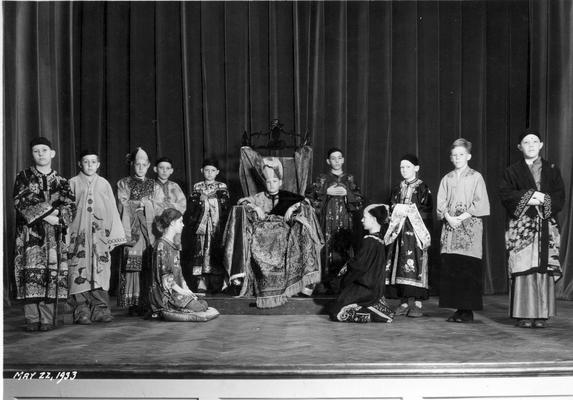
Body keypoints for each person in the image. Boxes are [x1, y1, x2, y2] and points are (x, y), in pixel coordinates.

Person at [233, 157, 322, 307]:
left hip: (283, 231)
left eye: (274, 181)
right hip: (261, 232)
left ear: (280, 182)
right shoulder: (259, 197)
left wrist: (293, 208)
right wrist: (255, 207)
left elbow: (307, 203)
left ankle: (302, 284)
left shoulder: (288, 196)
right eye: (268, 182)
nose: (271, 184)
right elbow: (242, 202)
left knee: (301, 230)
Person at [499, 129, 564, 328]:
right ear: (520, 147)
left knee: (542, 268)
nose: (531, 145)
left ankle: (541, 314)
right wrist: (531, 196)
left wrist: (543, 199)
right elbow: (505, 194)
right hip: (522, 226)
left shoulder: (552, 169)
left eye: (535, 141)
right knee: (523, 268)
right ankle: (523, 314)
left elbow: (559, 195)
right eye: (526, 142)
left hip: (545, 224)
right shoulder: (511, 171)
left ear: (541, 145)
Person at [13, 137, 76, 331]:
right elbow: (21, 200)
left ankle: (47, 319)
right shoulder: (23, 177)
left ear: (52, 153)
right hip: (30, 235)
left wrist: (58, 218)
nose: (40, 154)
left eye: (44, 150)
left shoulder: (62, 181)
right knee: (30, 273)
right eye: (36, 151)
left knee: (52, 275)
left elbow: (70, 206)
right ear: (32, 154)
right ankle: (32, 318)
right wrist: (49, 215)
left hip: (54, 237)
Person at [67, 150, 126, 324]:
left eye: (93, 162)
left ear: (98, 164)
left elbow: (112, 210)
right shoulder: (73, 183)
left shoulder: (104, 184)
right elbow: (67, 211)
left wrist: (113, 237)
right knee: (77, 270)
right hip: (78, 236)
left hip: (100, 237)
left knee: (100, 271)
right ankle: (81, 310)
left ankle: (101, 309)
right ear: (80, 164)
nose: (90, 165)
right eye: (86, 162)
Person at [437, 138, 490, 323]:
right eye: (454, 155)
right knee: (453, 268)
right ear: (451, 158)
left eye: (461, 154)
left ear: (468, 156)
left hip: (469, 228)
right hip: (450, 228)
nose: (457, 158)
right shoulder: (447, 178)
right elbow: (441, 203)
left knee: (468, 268)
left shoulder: (476, 177)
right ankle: (457, 308)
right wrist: (449, 217)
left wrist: (462, 217)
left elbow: (480, 202)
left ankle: (467, 310)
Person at [308, 147, 365, 292]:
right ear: (328, 161)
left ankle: (344, 282)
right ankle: (325, 282)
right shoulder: (322, 179)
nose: (337, 161)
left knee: (345, 246)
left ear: (343, 159)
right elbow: (311, 199)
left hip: (346, 220)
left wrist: (347, 194)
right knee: (327, 247)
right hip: (327, 220)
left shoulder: (349, 179)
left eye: (339, 157)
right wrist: (325, 192)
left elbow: (359, 200)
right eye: (333, 158)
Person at [385, 154, 432, 318]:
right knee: (400, 265)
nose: (404, 170)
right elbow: (391, 208)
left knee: (416, 265)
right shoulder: (396, 189)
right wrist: (396, 211)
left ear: (416, 168)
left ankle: (417, 304)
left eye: (408, 167)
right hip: (399, 233)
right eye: (402, 167)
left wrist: (410, 211)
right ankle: (403, 303)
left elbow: (426, 210)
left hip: (415, 233)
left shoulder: (423, 188)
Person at [149, 208, 218, 321]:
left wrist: (187, 291)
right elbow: (165, 278)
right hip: (166, 294)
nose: (183, 225)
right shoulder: (161, 245)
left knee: (201, 302)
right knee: (200, 306)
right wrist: (182, 291)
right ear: (172, 223)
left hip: (176, 291)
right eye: (180, 221)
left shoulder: (173, 245)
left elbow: (179, 273)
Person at [329, 204, 394, 323]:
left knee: (336, 312)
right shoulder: (379, 239)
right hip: (373, 287)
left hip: (366, 287)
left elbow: (359, 266)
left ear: (374, 219)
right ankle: (376, 307)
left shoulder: (369, 240)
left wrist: (344, 278)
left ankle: (371, 314)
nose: (362, 220)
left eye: (365, 217)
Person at [117, 147, 161, 316]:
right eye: (137, 164)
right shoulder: (124, 183)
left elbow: (160, 205)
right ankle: (133, 303)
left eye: (144, 164)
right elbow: (122, 203)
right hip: (132, 229)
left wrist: (147, 205)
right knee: (133, 266)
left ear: (149, 165)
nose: (140, 168)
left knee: (149, 265)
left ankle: (147, 301)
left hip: (150, 231)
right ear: (132, 164)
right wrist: (136, 204)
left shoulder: (154, 185)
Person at [187, 159, 230, 294]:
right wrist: (201, 203)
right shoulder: (197, 187)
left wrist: (208, 201)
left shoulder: (222, 186)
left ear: (217, 172)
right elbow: (192, 205)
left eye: (212, 170)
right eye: (207, 170)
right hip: (201, 226)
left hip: (217, 226)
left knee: (216, 251)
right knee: (200, 251)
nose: (209, 173)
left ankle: (217, 283)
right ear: (201, 171)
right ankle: (201, 281)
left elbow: (225, 204)